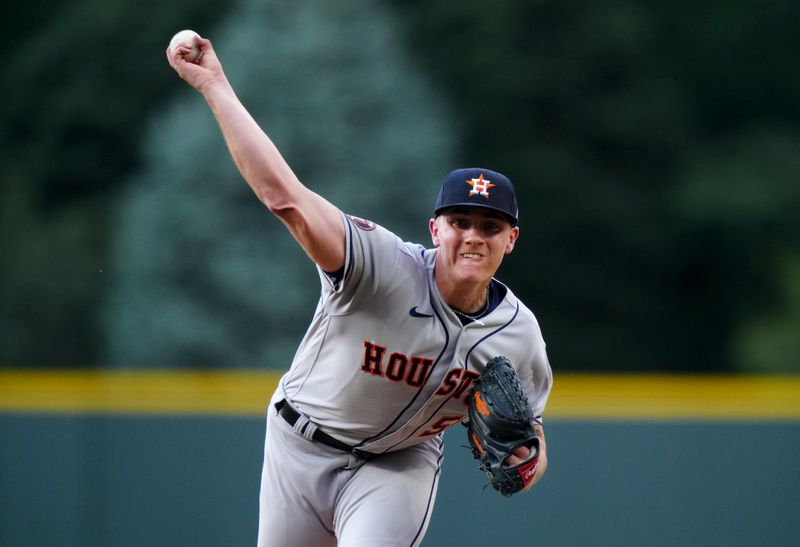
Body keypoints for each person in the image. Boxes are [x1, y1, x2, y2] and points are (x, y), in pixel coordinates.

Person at [167, 35, 552, 547]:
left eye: (490, 226)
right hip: (298, 446)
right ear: (435, 229)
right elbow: (287, 199)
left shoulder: (519, 334)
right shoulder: (379, 264)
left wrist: (528, 464)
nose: (473, 236)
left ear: (512, 240)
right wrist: (214, 84)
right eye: (460, 221)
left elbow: (533, 435)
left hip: (398, 466)